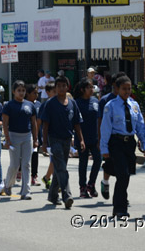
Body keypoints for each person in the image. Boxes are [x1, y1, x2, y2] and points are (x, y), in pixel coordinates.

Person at [100, 75, 145, 218]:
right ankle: (119, 208)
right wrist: (104, 148)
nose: (127, 91)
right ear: (117, 89)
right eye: (124, 89)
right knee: (122, 174)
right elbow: (105, 128)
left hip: (129, 143)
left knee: (126, 175)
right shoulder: (111, 106)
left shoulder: (134, 105)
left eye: (129, 88)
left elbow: (140, 126)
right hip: (116, 142)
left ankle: (121, 204)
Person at [42, 76, 85, 209]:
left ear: (67, 87)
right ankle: (67, 196)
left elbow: (77, 123)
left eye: (63, 85)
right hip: (54, 139)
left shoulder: (72, 103)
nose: (61, 88)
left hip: (67, 139)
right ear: (55, 88)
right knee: (61, 167)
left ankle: (53, 196)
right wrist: (44, 143)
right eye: (58, 86)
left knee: (60, 168)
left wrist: (81, 139)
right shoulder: (50, 103)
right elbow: (45, 124)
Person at [2, 81, 38, 200]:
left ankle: (25, 191)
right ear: (13, 92)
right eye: (19, 90)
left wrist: (36, 139)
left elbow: (34, 123)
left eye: (23, 90)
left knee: (26, 164)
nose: (21, 93)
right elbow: (5, 124)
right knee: (15, 164)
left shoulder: (30, 105)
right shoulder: (9, 105)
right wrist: (7, 139)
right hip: (13, 136)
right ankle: (7, 184)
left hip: (27, 136)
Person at [97, 72, 126, 200]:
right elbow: (100, 121)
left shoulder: (130, 101)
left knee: (124, 170)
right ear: (115, 85)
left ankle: (121, 193)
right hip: (109, 137)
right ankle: (105, 182)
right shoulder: (106, 101)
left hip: (125, 140)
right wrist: (100, 140)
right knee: (109, 163)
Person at [73, 78, 101, 198]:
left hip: (95, 137)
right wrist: (79, 139)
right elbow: (75, 122)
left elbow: (100, 119)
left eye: (92, 87)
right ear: (82, 89)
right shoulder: (76, 103)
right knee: (83, 163)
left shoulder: (95, 101)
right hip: (82, 138)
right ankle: (83, 188)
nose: (92, 89)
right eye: (89, 87)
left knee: (98, 159)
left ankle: (91, 184)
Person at [38, 81, 56, 189]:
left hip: (59, 135)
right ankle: (54, 182)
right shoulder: (45, 105)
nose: (57, 93)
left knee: (55, 160)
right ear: (48, 92)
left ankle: (47, 177)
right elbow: (39, 121)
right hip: (49, 136)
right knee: (54, 160)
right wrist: (39, 138)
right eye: (54, 91)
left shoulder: (60, 102)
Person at [25, 84, 42, 186]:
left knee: (35, 156)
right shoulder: (24, 104)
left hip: (36, 134)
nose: (36, 95)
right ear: (28, 94)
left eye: (37, 93)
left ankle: (34, 176)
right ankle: (19, 171)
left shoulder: (39, 104)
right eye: (34, 93)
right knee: (23, 156)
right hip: (25, 134)